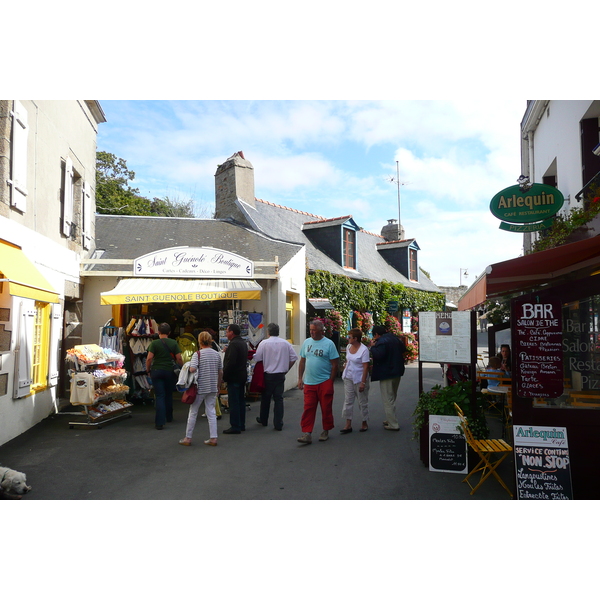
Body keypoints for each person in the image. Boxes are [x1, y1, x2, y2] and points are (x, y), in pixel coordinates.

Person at [297, 320, 339, 444]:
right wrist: (300, 378)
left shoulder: (329, 344)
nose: (312, 332)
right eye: (310, 330)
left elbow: (335, 364)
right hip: (309, 382)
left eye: (314, 330)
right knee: (308, 408)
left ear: (321, 331)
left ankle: (326, 430)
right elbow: (302, 361)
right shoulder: (307, 342)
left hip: (324, 381)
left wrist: (330, 381)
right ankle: (307, 433)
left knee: (326, 408)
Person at [179, 331, 223, 447]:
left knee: (193, 412)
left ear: (199, 341)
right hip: (212, 387)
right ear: (210, 340)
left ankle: (188, 438)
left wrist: (186, 368)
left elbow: (193, 369)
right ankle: (213, 438)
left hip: (200, 387)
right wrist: (218, 386)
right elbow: (220, 371)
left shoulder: (197, 354)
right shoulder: (216, 354)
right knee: (211, 412)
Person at [253, 322, 298, 431]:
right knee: (279, 399)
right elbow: (294, 357)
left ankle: (264, 419)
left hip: (268, 375)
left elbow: (257, 358)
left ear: (268, 332)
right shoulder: (285, 343)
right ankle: (278, 423)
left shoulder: (264, 343)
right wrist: (286, 369)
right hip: (280, 375)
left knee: (266, 398)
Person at [146, 323, 183, 430]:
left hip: (156, 371)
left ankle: (159, 422)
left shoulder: (154, 344)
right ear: (169, 333)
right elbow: (179, 358)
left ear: (158, 332)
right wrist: (183, 368)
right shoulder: (173, 343)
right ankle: (169, 416)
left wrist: (148, 370)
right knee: (168, 394)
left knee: (159, 396)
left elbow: (149, 358)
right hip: (169, 372)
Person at [370, 324, 407, 431]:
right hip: (397, 370)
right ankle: (390, 418)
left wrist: (373, 347)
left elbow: (379, 355)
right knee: (392, 396)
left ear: (377, 334)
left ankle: (393, 424)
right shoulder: (394, 338)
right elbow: (403, 349)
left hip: (386, 372)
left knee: (388, 399)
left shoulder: (381, 342)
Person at [340, 328, 370, 433]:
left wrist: (363, 382)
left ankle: (364, 422)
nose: (347, 339)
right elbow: (348, 360)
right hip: (348, 377)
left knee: (362, 401)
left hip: (359, 379)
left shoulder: (364, 350)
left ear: (356, 338)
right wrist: (345, 366)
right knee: (348, 400)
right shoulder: (348, 347)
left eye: (349, 337)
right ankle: (348, 424)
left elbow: (366, 367)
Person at [222, 323, 248, 434]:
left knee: (234, 402)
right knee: (241, 401)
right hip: (241, 375)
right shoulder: (242, 343)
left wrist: (224, 376)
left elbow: (231, 363)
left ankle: (235, 425)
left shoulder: (233, 345)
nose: (226, 334)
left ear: (232, 332)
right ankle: (241, 424)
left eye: (227, 331)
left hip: (234, 377)